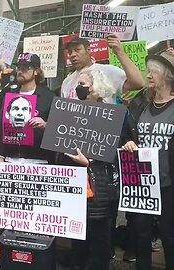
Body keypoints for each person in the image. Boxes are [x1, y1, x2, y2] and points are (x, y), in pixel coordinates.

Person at [0, 53, 55, 260]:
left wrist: (45, 125)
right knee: (10, 208)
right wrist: (0, 155)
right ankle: (4, 245)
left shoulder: (48, 96)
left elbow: (59, 129)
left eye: (26, 67)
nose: (21, 71)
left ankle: (36, 251)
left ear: (36, 71)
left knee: (36, 211)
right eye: (19, 67)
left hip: (38, 160)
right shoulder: (8, 91)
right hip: (10, 159)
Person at [122, 50, 174, 270]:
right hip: (142, 182)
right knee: (140, 236)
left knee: (170, 236)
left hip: (169, 183)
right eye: (148, 71)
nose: (149, 76)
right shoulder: (140, 103)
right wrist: (127, 144)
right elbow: (125, 133)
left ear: (168, 76)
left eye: (154, 72)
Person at [64, 68, 120, 270]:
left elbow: (116, 154)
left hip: (100, 191)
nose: (78, 89)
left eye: (82, 85)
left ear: (96, 87)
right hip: (76, 187)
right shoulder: (70, 114)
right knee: (77, 239)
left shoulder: (111, 116)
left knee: (99, 242)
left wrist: (88, 163)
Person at [62, 34, 144, 104]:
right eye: (70, 52)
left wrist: (119, 51)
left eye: (77, 50)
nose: (72, 55)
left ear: (88, 50)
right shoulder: (67, 82)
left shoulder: (108, 71)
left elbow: (138, 83)